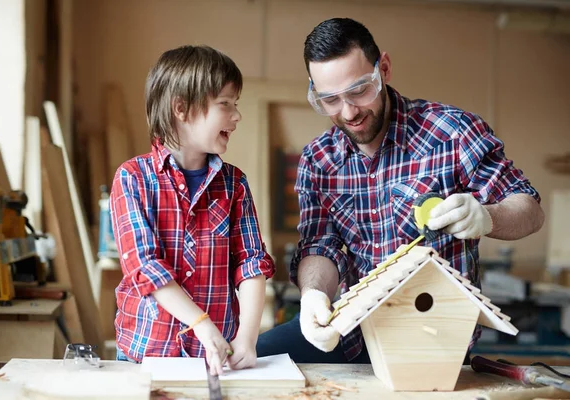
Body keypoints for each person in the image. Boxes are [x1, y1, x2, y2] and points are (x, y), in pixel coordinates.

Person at [256, 17, 544, 364]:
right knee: (255, 361)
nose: (348, 112)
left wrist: (488, 217)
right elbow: (320, 245)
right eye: (330, 99)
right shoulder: (318, 160)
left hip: (434, 339)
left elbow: (530, 209)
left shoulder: (451, 133)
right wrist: (314, 294)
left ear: (385, 69)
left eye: (359, 90)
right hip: (353, 334)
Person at [110, 45, 275, 375]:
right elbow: (146, 266)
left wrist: (247, 337)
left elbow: (251, 263)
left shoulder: (234, 184)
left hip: (214, 360)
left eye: (236, 104)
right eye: (225, 104)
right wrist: (200, 322)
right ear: (181, 109)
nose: (236, 115)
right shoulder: (132, 179)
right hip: (146, 355)